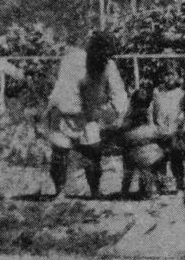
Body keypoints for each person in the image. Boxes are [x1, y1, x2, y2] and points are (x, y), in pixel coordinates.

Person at [44, 30, 130, 199]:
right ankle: (59, 191)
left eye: (108, 55)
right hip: (66, 114)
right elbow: (63, 91)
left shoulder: (108, 66)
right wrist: (63, 110)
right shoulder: (72, 60)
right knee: (60, 153)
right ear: (94, 49)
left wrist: (118, 114)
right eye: (103, 53)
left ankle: (95, 192)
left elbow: (118, 92)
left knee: (93, 153)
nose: (105, 58)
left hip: (90, 117)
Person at [149, 67, 185, 191]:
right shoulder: (157, 91)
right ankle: (162, 184)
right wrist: (152, 126)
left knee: (176, 158)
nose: (169, 77)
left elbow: (184, 111)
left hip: (175, 131)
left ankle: (180, 183)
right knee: (160, 159)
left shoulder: (181, 93)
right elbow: (151, 111)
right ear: (162, 76)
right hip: (160, 130)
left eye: (172, 74)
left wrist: (181, 124)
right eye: (166, 74)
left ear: (177, 76)